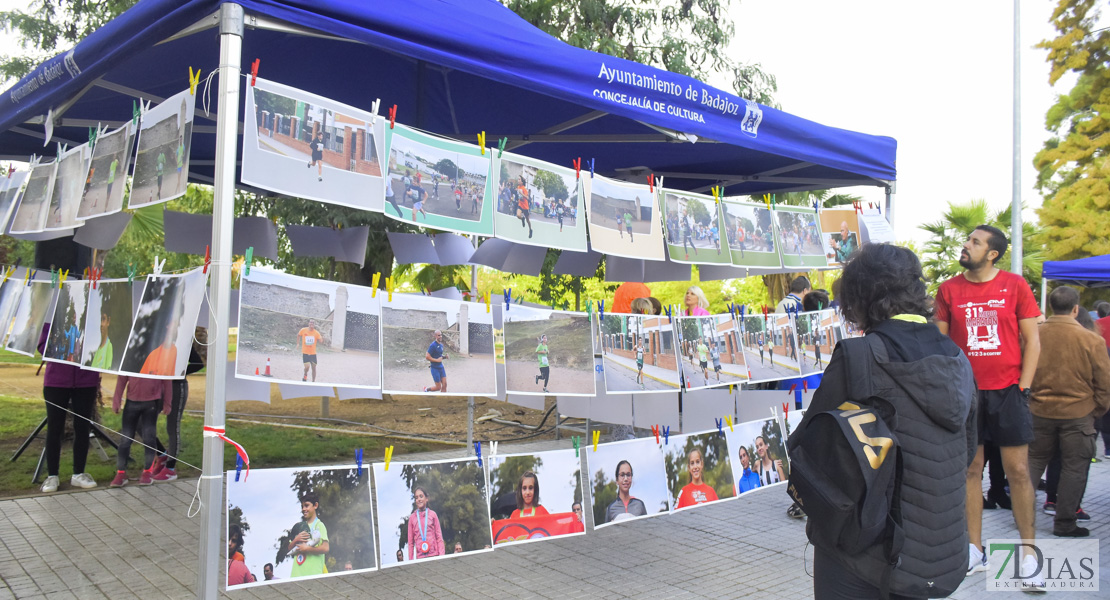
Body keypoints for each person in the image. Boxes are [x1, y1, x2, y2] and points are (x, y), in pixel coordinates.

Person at [799, 242, 978, 599]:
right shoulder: (957, 357)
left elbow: (813, 446)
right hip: (937, 552)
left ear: (859, 295)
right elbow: (968, 449)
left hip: (864, 548)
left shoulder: (859, 355)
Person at [933, 225, 1042, 581]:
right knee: (970, 471)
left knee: (1020, 472)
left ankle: (1028, 553)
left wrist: (1023, 388)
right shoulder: (948, 289)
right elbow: (941, 346)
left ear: (992, 253)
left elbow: (1033, 341)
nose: (966, 245)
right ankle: (974, 550)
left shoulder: (1015, 285)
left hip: (1008, 392)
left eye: (975, 242)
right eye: (968, 240)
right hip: (966, 394)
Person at [1026, 286, 1110, 537]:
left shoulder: (1034, 335)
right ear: (1076, 309)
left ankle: (1024, 517)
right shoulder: (1092, 340)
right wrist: (1097, 410)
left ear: (1051, 307)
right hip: (1078, 413)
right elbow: (1104, 382)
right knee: (1075, 468)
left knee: (1032, 463)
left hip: (1039, 410)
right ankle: (1064, 523)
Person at [36, 325, 100, 493]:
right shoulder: (56, 315)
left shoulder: (91, 316)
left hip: (86, 380)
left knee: (82, 427)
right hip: (56, 381)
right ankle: (52, 476)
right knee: (54, 428)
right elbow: (42, 345)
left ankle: (78, 473)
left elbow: (101, 343)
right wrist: (62, 349)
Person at [110, 373, 172, 487]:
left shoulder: (157, 358)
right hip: (131, 402)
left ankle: (147, 472)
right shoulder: (131, 357)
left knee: (149, 437)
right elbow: (122, 379)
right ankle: (120, 473)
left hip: (151, 403)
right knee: (125, 439)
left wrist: (167, 402)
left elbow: (167, 380)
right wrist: (116, 400)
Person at [288, 491, 329, 577]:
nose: (303, 509)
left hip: (313, 575)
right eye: (302, 506)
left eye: (306, 505)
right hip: (296, 575)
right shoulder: (300, 527)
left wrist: (308, 548)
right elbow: (289, 549)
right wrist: (296, 540)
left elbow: (325, 548)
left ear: (315, 505)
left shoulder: (319, 525)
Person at [407, 487, 445, 560]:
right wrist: (410, 561)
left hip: (434, 556)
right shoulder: (412, 518)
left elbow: (439, 537)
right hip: (420, 558)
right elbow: (410, 543)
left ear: (426, 498)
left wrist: (441, 556)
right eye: (416, 497)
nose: (419, 499)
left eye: (421, 496)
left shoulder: (433, 515)